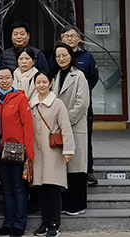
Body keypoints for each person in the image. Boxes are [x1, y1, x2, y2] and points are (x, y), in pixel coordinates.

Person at [30, 71, 75, 237]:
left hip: (53, 152)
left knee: (53, 188)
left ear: (50, 83)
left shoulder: (57, 104)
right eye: (38, 82)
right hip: (37, 153)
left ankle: (55, 224)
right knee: (41, 189)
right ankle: (45, 222)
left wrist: (68, 150)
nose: (41, 85)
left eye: (44, 82)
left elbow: (66, 129)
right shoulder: (31, 103)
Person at [0, 67, 34, 237]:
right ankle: (8, 222)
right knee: (7, 188)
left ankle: (19, 223)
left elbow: (28, 126)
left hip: (17, 151)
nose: (4, 81)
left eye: (7, 77)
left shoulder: (20, 98)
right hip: (0, 151)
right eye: (1, 78)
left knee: (18, 188)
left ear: (12, 79)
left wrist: (29, 153)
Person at [59, 25, 99, 186]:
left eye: (73, 36)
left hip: (82, 106)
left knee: (84, 140)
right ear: (61, 39)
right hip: (62, 106)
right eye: (66, 36)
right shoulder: (57, 56)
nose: (69, 38)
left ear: (79, 39)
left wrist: (82, 94)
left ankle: (88, 171)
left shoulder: (87, 57)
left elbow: (93, 78)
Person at [53, 42, 90, 216]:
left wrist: (65, 121)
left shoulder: (79, 75)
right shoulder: (56, 76)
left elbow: (82, 103)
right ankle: (66, 203)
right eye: (58, 56)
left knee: (77, 168)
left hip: (75, 126)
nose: (61, 58)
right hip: (60, 128)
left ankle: (78, 204)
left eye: (64, 55)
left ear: (71, 56)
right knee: (65, 168)